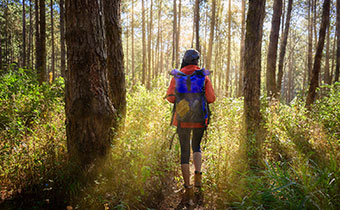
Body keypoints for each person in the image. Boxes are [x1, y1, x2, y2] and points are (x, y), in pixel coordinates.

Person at [165, 49, 216, 202]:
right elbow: (211, 98)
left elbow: (170, 98)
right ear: (196, 61)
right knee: (197, 146)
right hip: (199, 119)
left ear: (185, 60)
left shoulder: (177, 75)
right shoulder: (203, 75)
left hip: (182, 120)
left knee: (184, 152)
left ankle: (188, 188)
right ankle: (198, 177)